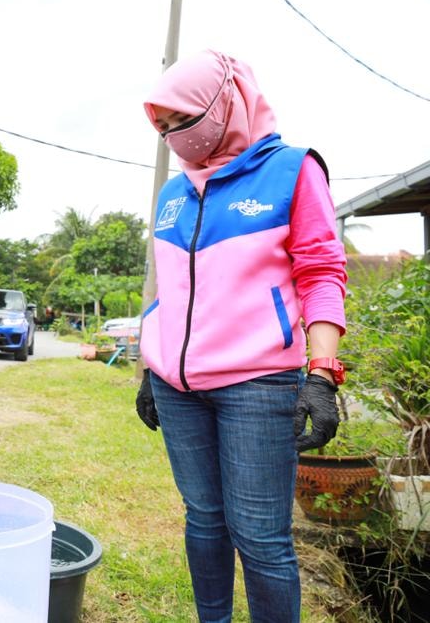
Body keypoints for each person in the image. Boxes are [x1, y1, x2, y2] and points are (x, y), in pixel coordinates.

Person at [134, 50, 347, 623]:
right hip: (178, 388)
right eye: (165, 129)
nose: (177, 138)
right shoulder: (172, 193)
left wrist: (322, 374)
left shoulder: (292, 170)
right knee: (203, 516)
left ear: (226, 104)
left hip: (257, 386)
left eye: (186, 121)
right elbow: (167, 287)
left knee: (259, 535)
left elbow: (322, 275)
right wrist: (151, 368)